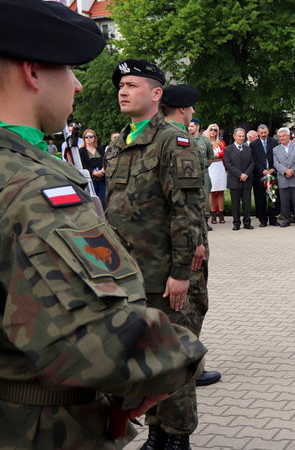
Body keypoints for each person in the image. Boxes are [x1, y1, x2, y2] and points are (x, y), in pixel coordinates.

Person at [0, 0, 205, 449]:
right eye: (67, 69)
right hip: (40, 426)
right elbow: (97, 344)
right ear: (32, 72)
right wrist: (181, 358)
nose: (78, 85)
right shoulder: (31, 189)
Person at [105, 59, 208, 449]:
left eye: (132, 84)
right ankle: (156, 432)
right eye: (121, 85)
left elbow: (186, 210)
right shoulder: (119, 144)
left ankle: (177, 438)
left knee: (172, 358)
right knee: (146, 361)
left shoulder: (172, 141)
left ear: (156, 93)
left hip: (166, 275)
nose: (123, 90)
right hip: (129, 275)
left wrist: (181, 273)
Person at [159, 85, 223, 390]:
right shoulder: (180, 141)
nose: (194, 113)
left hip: (164, 241)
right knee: (192, 304)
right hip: (187, 238)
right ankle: (190, 368)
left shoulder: (153, 136)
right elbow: (190, 201)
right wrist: (197, 240)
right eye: (191, 108)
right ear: (183, 109)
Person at [272, 127, 295, 227]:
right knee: (284, 201)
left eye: (284, 136)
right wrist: (285, 171)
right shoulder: (275, 149)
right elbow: (276, 163)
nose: (282, 138)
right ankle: (286, 220)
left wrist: (292, 171)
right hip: (283, 178)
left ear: (289, 136)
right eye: (280, 136)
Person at [224, 128, 255, 230]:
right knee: (235, 204)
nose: (241, 138)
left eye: (243, 136)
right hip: (234, 180)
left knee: (247, 203)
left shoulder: (249, 149)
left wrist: (246, 174)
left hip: (247, 180)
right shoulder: (228, 149)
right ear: (234, 136)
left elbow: (252, 163)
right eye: (239, 136)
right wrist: (240, 174)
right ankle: (236, 223)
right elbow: (228, 165)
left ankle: (247, 222)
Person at [188, 118, 214, 231]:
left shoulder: (205, 141)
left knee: (204, 198)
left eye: (192, 126)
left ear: (197, 127)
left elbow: (211, 156)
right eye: (189, 126)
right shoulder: (184, 139)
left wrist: (205, 164)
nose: (190, 128)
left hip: (203, 173)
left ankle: (205, 221)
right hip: (189, 174)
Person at [250, 124, 279, 227]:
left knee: (272, 197)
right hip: (259, 175)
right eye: (261, 133)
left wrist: (273, 169)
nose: (263, 134)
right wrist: (262, 170)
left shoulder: (274, 142)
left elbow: (277, 157)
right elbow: (253, 160)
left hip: (272, 174)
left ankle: (273, 219)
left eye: (265, 132)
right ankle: (262, 220)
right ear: (258, 133)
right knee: (260, 198)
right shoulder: (253, 145)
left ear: (268, 132)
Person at [81, 128, 107, 209]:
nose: (88, 138)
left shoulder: (100, 149)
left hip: (102, 178)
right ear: (84, 139)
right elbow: (82, 165)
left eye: (91, 136)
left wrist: (103, 169)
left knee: (103, 200)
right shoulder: (81, 151)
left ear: (94, 138)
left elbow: (106, 160)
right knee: (93, 201)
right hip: (90, 180)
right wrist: (93, 172)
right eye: (86, 137)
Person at [206, 124, 228, 224]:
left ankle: (221, 213)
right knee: (212, 190)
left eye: (216, 130)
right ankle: (213, 213)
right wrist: (215, 156)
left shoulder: (221, 142)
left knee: (220, 190)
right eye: (212, 130)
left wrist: (214, 155)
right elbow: (206, 154)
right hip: (210, 166)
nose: (213, 132)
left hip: (219, 166)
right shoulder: (206, 142)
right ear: (208, 131)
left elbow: (223, 154)